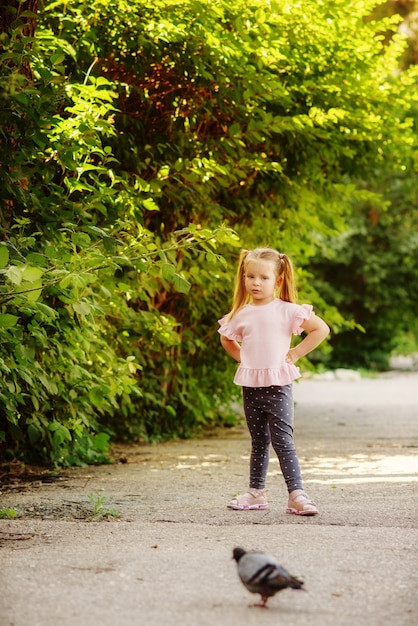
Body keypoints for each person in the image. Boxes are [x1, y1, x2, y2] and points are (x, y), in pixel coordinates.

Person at [218, 247, 330, 516]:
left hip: (278, 386)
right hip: (251, 387)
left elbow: (320, 329)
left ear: (277, 281)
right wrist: (243, 358)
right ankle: (256, 492)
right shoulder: (241, 314)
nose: (255, 282)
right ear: (243, 278)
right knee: (258, 440)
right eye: (250, 276)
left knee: (283, 440)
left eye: (263, 278)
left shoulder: (288, 311)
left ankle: (296, 494)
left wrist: (296, 353)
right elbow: (226, 338)